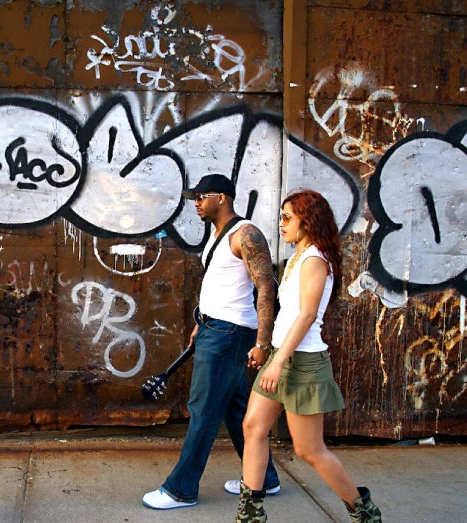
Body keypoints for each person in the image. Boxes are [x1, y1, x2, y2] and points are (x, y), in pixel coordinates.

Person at [235, 190, 381, 523]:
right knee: (253, 428)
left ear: (307, 220)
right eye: (281, 217)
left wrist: (278, 360)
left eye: (287, 217)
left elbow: (307, 315)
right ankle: (251, 516)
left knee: (308, 450)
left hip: (301, 363)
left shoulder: (315, 259)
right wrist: (268, 349)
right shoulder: (299, 257)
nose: (281, 223)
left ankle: (364, 511)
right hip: (281, 356)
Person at [143, 174, 281, 510]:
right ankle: (264, 478)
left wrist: (263, 342)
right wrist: (201, 323)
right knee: (235, 409)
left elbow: (266, 287)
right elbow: (222, 284)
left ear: (222, 197)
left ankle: (181, 490)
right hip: (213, 329)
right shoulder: (217, 234)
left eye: (201, 197)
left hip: (230, 334)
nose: (196, 204)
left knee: (203, 411)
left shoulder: (245, 234)